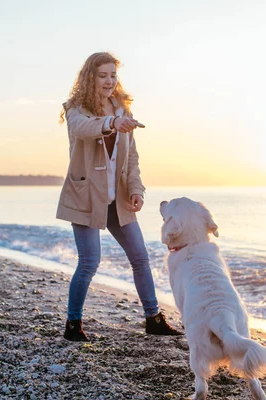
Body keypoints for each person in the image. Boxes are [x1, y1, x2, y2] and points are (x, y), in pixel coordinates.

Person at [57, 52, 182, 341]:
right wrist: (111, 124)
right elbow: (81, 129)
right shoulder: (76, 108)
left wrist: (137, 189)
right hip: (87, 195)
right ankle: (73, 324)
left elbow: (132, 158)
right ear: (90, 77)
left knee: (141, 257)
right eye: (103, 75)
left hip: (119, 197)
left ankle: (153, 318)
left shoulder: (122, 108)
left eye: (113, 75)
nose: (109, 81)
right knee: (89, 262)